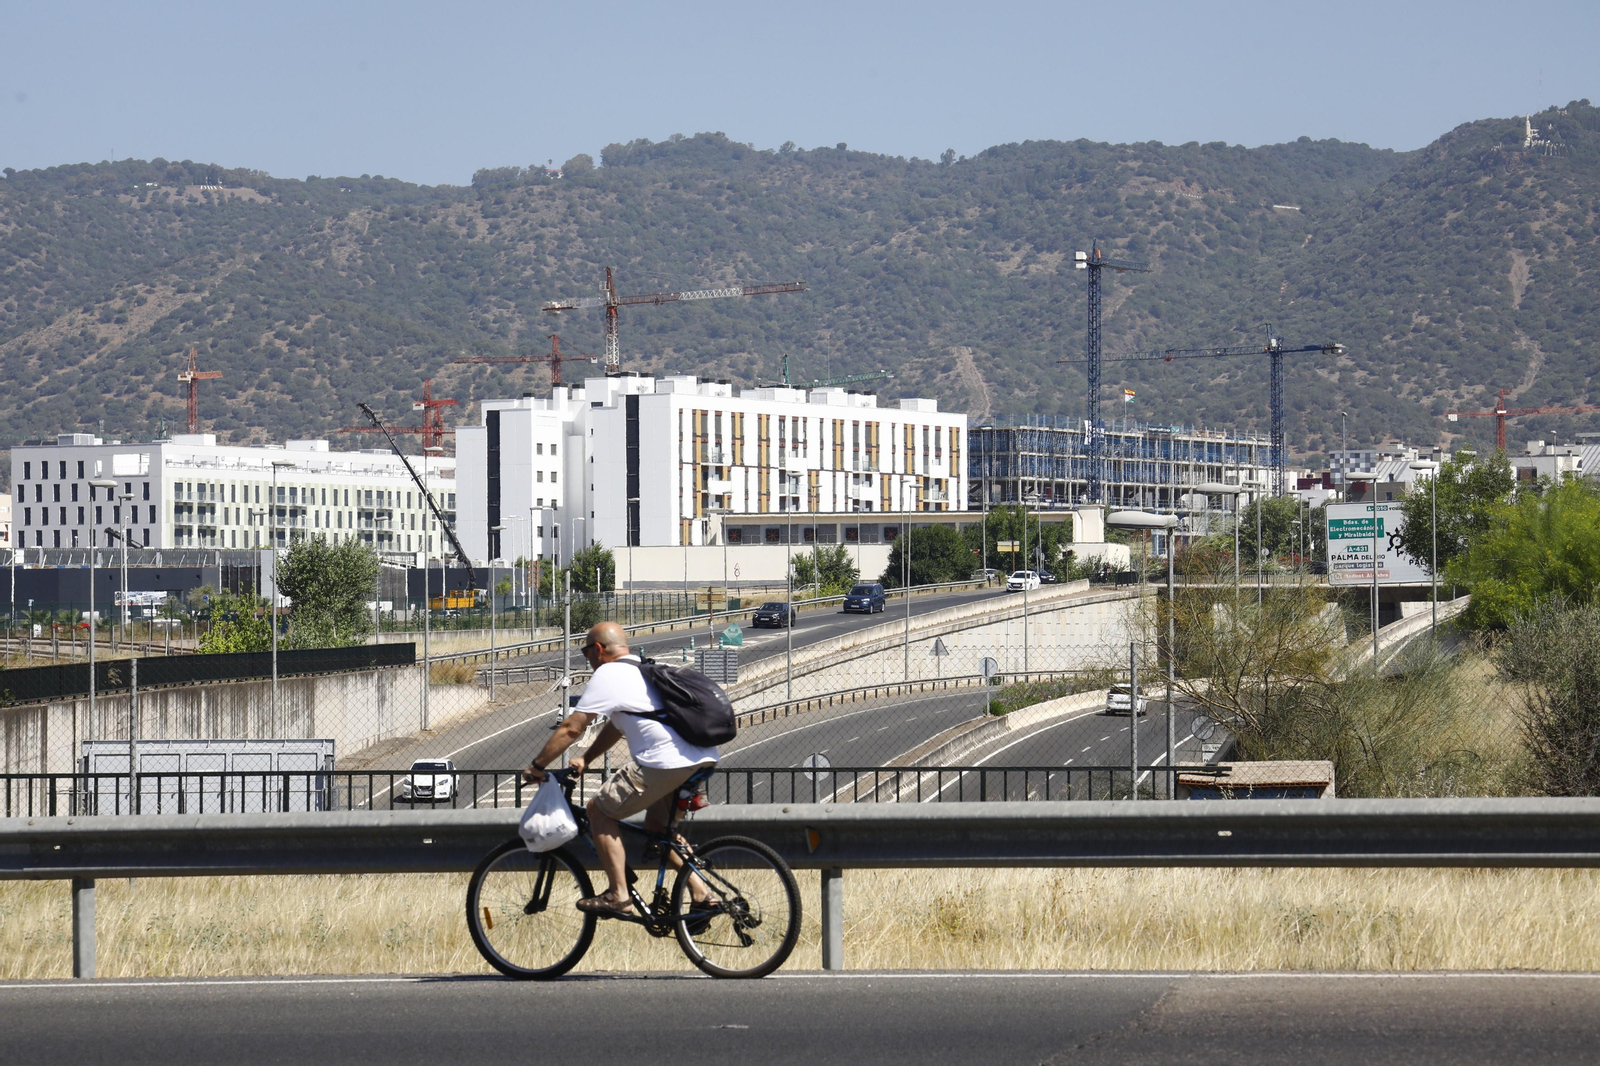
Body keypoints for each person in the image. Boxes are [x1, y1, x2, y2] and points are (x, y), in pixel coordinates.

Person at [522, 620, 718, 917]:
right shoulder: (644, 669)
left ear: (598, 649)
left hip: (663, 762)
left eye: (586, 652)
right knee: (657, 829)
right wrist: (587, 759)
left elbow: (572, 727)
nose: (586, 659)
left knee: (598, 811)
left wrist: (537, 766)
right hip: (701, 758)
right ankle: (703, 893)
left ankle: (619, 895)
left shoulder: (609, 674)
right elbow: (617, 724)